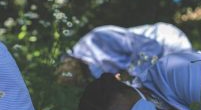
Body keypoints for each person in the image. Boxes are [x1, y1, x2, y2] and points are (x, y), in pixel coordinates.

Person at [56, 22, 192, 86]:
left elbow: (150, 45)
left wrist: (130, 73)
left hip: (168, 43)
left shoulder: (96, 38)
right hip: (157, 62)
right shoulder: (89, 71)